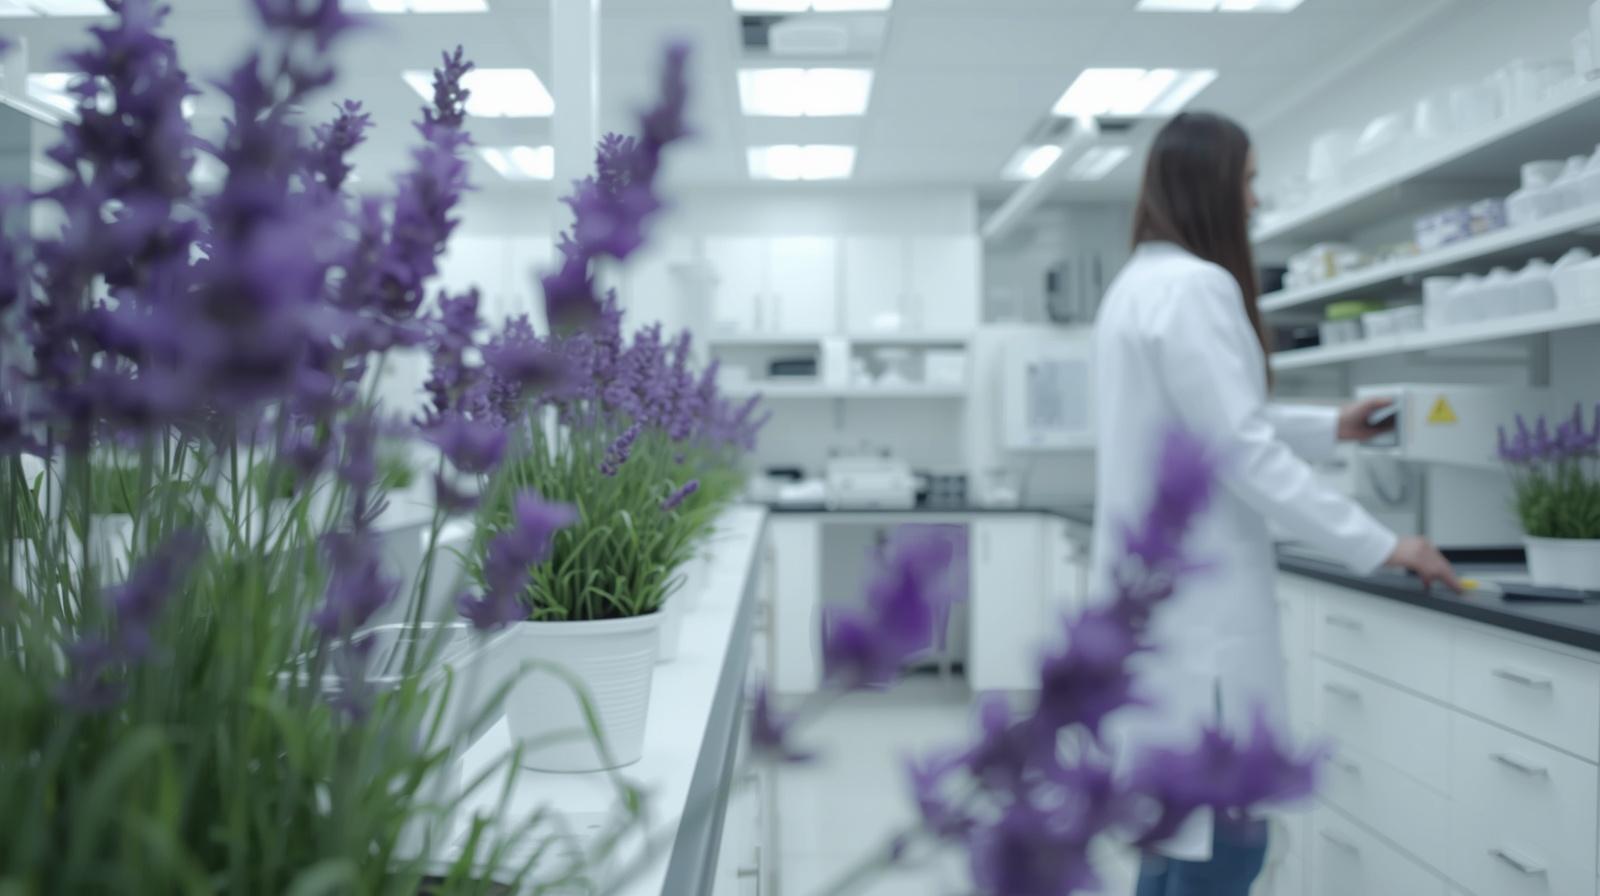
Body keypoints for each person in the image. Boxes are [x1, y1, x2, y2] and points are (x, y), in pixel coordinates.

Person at [1090, 111, 1461, 896]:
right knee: (1228, 849)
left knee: (1173, 844)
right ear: (1213, 184)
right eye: (1250, 180)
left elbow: (1208, 423)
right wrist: (1382, 543)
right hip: (1201, 620)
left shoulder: (1136, 287)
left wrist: (1331, 425)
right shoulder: (1198, 286)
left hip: (1155, 607)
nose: (1255, 201)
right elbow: (1240, 450)